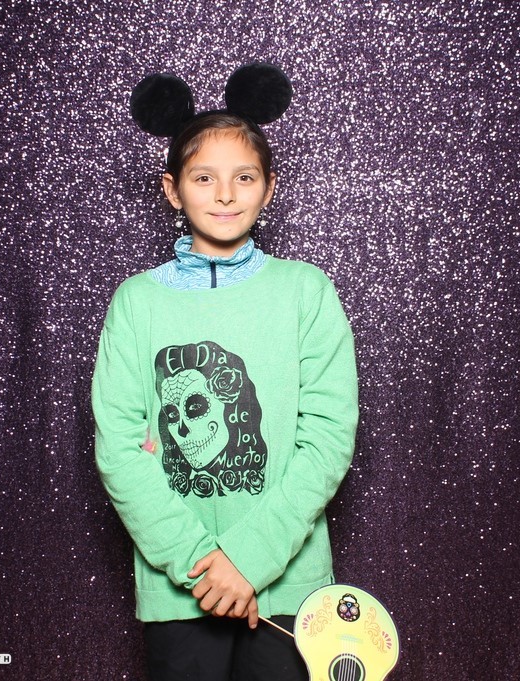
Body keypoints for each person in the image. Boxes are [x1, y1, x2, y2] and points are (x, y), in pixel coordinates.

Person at [91, 64, 358, 681]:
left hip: (288, 588)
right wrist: (202, 566)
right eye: (203, 177)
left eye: (244, 177)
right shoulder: (137, 302)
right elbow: (119, 447)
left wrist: (249, 559)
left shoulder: (305, 291)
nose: (225, 194)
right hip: (182, 588)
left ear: (268, 189)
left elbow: (327, 437)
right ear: (172, 190)